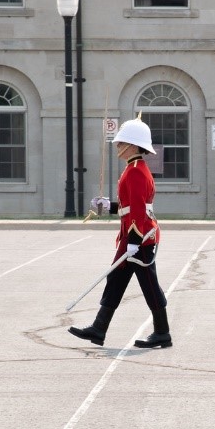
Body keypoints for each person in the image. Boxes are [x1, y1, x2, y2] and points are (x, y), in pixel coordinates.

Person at [69, 118, 172, 349]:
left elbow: (137, 209)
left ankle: (162, 332)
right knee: (115, 279)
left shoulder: (135, 171)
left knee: (150, 286)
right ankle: (99, 328)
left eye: (122, 142)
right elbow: (129, 205)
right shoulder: (134, 169)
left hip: (140, 238)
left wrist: (134, 240)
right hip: (133, 236)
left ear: (133, 145)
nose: (118, 146)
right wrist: (108, 206)